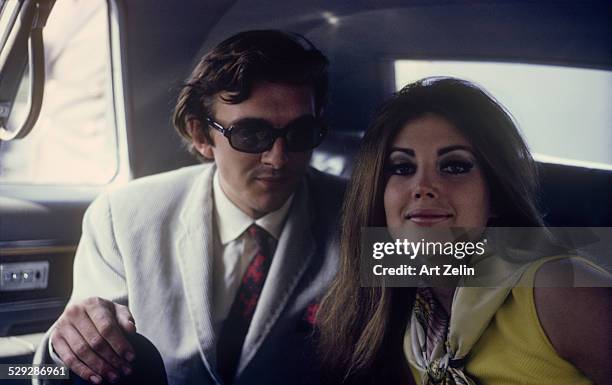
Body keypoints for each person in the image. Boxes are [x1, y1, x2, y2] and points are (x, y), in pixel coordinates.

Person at [33, 30, 345, 385]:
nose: (278, 157)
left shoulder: (363, 216)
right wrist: (70, 347)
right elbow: (64, 368)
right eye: (251, 134)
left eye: (301, 133)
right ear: (200, 135)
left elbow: (418, 327)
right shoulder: (122, 217)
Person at [316, 77, 612, 385]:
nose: (423, 187)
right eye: (402, 168)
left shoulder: (560, 291)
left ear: (496, 194)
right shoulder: (403, 319)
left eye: (455, 166)